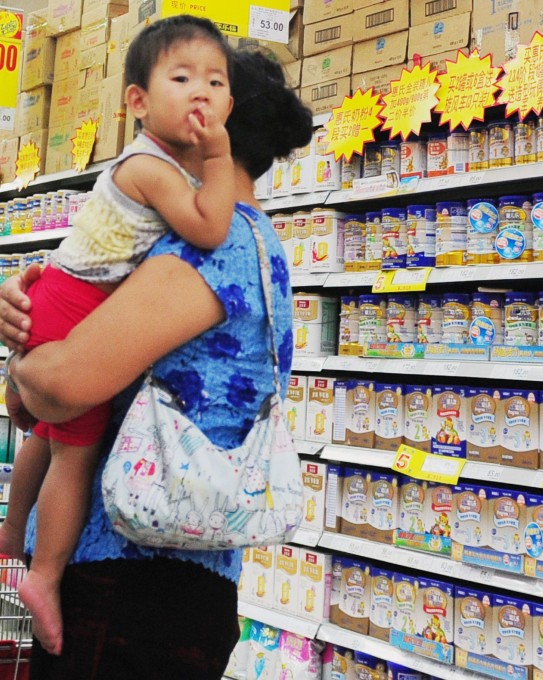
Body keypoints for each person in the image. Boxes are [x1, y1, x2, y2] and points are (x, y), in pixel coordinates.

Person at [0, 49, 313, 678]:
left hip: (134, 588)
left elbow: (59, 390)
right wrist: (33, 343)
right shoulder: (221, 241)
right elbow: (34, 409)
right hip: (160, 582)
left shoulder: (212, 248)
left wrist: (28, 353)